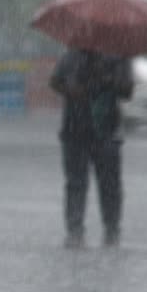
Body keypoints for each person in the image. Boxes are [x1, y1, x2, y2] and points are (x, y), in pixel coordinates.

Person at [50, 48, 133, 248]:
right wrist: (75, 89)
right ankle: (75, 231)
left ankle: (111, 230)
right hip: (75, 130)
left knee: (109, 185)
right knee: (76, 183)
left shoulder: (118, 57)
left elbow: (127, 90)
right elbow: (55, 82)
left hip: (106, 131)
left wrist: (108, 79)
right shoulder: (72, 55)